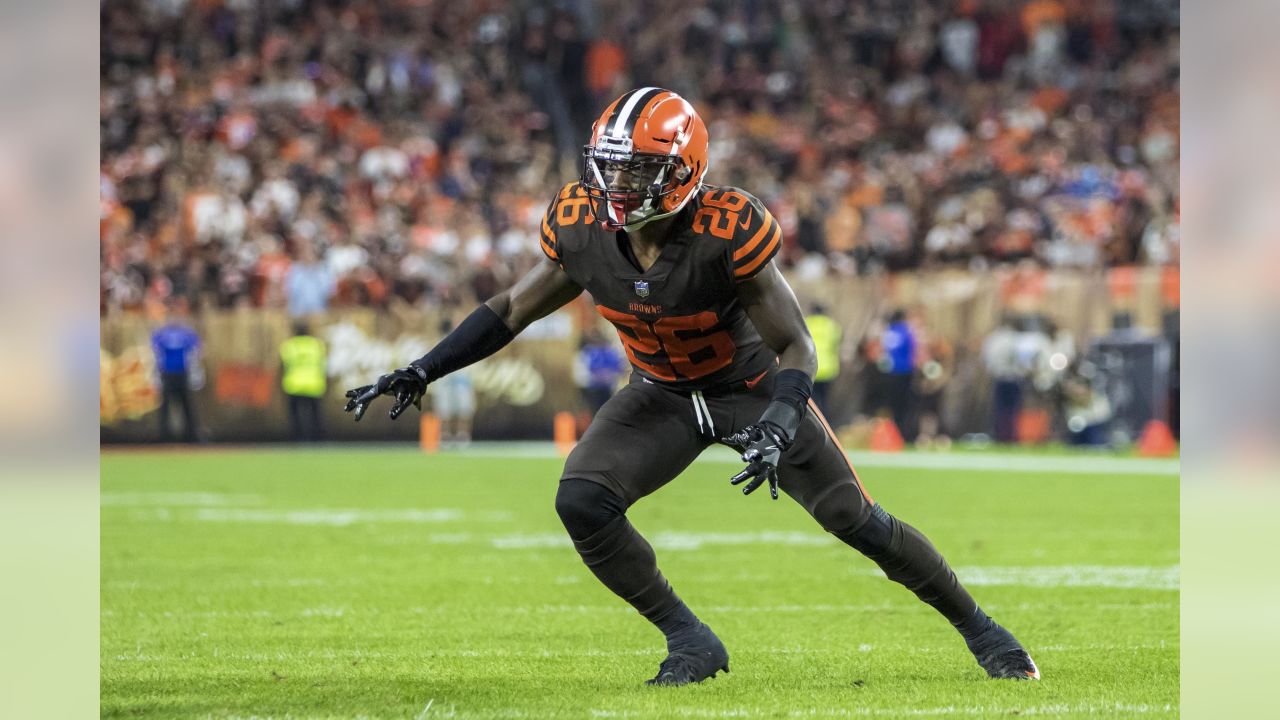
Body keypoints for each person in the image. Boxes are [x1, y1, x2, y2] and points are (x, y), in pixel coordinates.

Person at [343, 89, 1038, 685]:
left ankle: (983, 631)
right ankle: (689, 639)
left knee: (852, 519)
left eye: (640, 168)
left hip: (750, 388)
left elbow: (796, 341)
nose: (619, 183)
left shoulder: (726, 227)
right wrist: (424, 367)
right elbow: (511, 309)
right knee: (583, 500)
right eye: (611, 166)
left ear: (684, 171)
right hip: (662, 395)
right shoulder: (580, 224)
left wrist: (780, 418)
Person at [150, 301, 202, 442]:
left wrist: (196, 375)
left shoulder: (188, 334)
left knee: (187, 406)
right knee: (165, 407)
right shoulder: (160, 334)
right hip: (167, 374)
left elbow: (195, 354)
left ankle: (192, 436)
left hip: (182, 373)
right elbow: (155, 355)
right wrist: (155, 376)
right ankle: (164, 437)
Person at [279, 321, 327, 442]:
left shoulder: (289, 346)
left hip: (294, 385)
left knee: (295, 416)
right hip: (314, 384)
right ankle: (317, 439)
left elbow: (283, 367)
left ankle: (298, 438)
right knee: (316, 415)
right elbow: (323, 365)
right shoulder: (316, 345)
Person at [879, 309, 917, 438]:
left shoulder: (888, 332)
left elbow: (884, 351)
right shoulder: (907, 331)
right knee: (905, 405)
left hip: (890, 372)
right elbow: (913, 350)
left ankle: (893, 434)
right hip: (905, 371)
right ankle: (904, 434)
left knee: (892, 405)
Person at [573, 328, 628, 417]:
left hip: (606, 388)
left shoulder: (608, 351)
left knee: (605, 411)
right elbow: (584, 372)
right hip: (592, 389)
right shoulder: (588, 352)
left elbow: (618, 367)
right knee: (595, 411)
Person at [804, 303, 842, 416]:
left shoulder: (806, 323)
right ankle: (826, 425)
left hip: (811, 368)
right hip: (828, 370)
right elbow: (837, 344)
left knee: (812, 402)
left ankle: (813, 424)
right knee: (825, 400)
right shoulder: (832, 325)